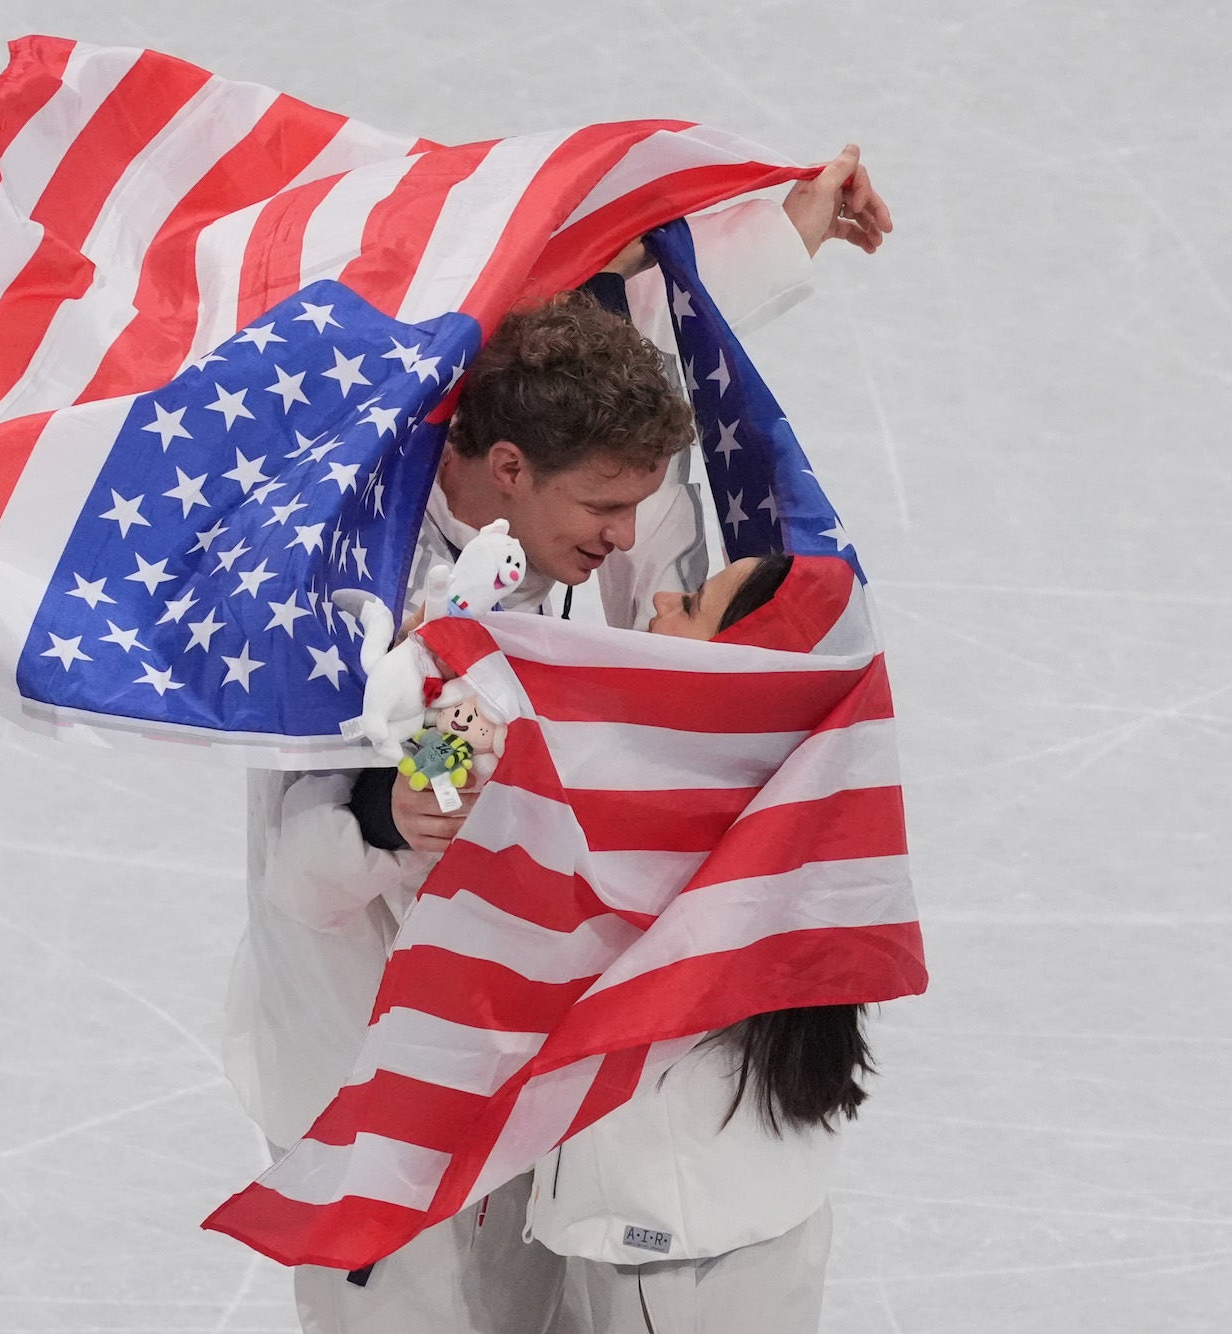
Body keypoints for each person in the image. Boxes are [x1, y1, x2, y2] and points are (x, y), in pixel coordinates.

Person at [228, 149, 894, 1334]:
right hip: (379, 1082)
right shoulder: (358, 604)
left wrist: (775, 242)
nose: (631, 540)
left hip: (521, 1064)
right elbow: (297, 874)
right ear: (506, 470)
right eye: (603, 507)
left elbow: (609, 334)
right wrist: (387, 817)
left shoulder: (555, 500)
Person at [526, 554, 874, 1334]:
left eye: (690, 602)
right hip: (710, 1228)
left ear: (733, 671)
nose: (659, 595)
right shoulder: (784, 797)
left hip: (675, 1252)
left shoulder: (679, 817)